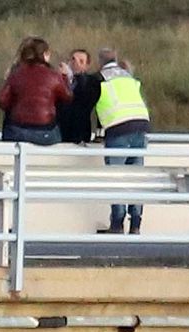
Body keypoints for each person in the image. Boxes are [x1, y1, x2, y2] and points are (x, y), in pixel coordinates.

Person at [93, 49, 150, 235]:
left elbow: (95, 105)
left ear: (99, 61)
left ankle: (117, 223)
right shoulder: (127, 76)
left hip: (118, 128)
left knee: (116, 177)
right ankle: (136, 223)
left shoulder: (100, 77)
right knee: (136, 177)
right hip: (141, 125)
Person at [0, 37, 71, 146]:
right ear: (45, 54)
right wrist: (65, 77)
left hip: (17, 130)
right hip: (46, 131)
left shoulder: (16, 73)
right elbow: (67, 97)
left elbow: (2, 101)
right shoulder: (54, 75)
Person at [56, 49, 100, 144]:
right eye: (73, 59)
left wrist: (71, 78)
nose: (75, 63)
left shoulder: (92, 81)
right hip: (60, 133)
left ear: (87, 66)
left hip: (80, 133)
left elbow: (85, 101)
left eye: (81, 61)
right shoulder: (58, 80)